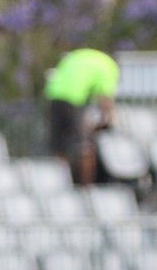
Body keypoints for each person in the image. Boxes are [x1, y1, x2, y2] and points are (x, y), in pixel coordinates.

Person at [44, 48, 119, 185]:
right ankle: (86, 187)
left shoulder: (81, 55)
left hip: (53, 94)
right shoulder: (108, 65)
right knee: (85, 146)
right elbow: (105, 99)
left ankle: (61, 184)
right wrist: (109, 119)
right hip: (74, 98)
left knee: (60, 146)